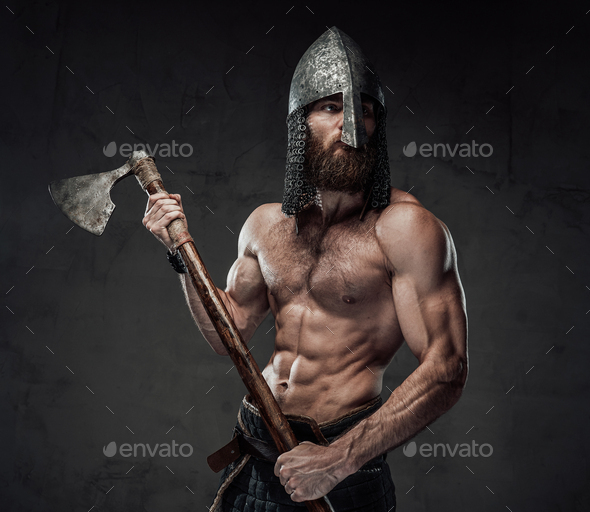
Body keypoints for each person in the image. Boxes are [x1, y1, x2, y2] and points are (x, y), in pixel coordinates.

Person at [143, 27, 468, 512]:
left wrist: (338, 460)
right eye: (331, 108)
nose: (349, 125)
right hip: (256, 454)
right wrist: (180, 249)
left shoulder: (405, 229)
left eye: (364, 111)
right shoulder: (265, 225)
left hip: (342, 470)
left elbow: (447, 368)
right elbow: (226, 334)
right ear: (300, 123)